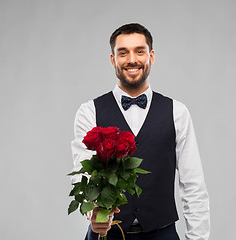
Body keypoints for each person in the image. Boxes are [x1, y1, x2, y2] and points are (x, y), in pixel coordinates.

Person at [71, 23, 210, 240]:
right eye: (123, 52)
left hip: (162, 234)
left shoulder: (177, 112)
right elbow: (84, 173)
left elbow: (193, 185)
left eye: (139, 51)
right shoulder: (89, 111)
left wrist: (198, 238)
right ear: (112, 59)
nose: (132, 59)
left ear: (151, 56)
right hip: (107, 234)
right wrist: (95, 215)